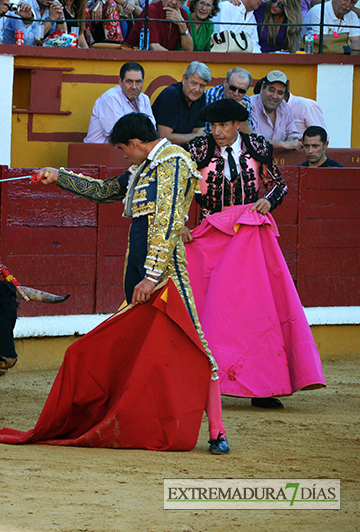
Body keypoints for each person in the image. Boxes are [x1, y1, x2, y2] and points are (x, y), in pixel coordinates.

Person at [33, 113, 230, 454]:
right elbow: (105, 190)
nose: (124, 156)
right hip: (137, 263)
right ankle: (135, 421)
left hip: (165, 271)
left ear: (137, 143)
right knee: (136, 345)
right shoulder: (144, 166)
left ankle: (217, 432)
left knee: (193, 343)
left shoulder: (175, 162)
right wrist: (59, 176)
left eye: (124, 150)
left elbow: (168, 222)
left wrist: (151, 277)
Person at [185, 98, 325, 409]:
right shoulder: (198, 149)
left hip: (247, 236)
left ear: (237, 124)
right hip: (211, 237)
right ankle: (202, 381)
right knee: (209, 310)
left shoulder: (258, 146)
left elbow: (279, 185)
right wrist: (182, 221)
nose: (217, 131)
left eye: (223, 125)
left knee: (254, 309)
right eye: (214, 126)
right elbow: (182, 186)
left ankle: (262, 386)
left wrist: (267, 202)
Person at [84, 61, 155, 144]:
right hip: (100, 152)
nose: (134, 87)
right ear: (120, 82)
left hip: (129, 151)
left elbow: (152, 130)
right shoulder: (111, 98)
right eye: (129, 81)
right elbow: (118, 134)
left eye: (138, 82)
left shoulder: (144, 99)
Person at [151, 61, 209, 146]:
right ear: (184, 79)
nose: (197, 89)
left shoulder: (201, 97)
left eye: (202, 86)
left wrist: (195, 136)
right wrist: (195, 136)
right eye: (194, 83)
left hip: (186, 151)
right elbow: (164, 137)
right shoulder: (171, 96)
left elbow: (199, 132)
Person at [249, 70, 301, 151]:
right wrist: (283, 144)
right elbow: (253, 139)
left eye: (280, 92)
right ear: (262, 89)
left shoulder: (284, 106)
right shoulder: (250, 105)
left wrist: (293, 140)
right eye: (271, 90)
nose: (274, 96)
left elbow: (293, 134)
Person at [124, 0, 194, 51]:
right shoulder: (151, 10)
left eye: (179, 0)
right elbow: (154, 47)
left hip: (163, 61)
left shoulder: (182, 14)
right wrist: (174, 59)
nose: (174, 2)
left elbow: (189, 49)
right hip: (135, 58)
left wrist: (182, 25)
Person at [202, 67, 255, 134]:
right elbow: (209, 131)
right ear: (225, 83)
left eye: (241, 91)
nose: (236, 94)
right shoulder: (212, 95)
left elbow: (249, 134)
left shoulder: (246, 101)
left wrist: (242, 114)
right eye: (232, 88)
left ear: (247, 91)